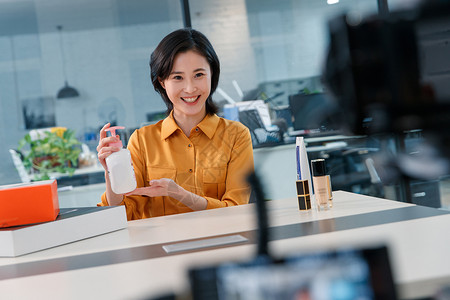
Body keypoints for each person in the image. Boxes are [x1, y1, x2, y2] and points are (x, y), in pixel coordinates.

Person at [97, 28, 254, 220]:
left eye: (199, 75)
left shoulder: (236, 135)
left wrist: (179, 193)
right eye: (177, 77)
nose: (190, 88)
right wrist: (112, 171)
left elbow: (237, 209)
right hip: (159, 248)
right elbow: (123, 213)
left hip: (223, 244)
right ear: (162, 82)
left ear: (212, 74)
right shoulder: (142, 140)